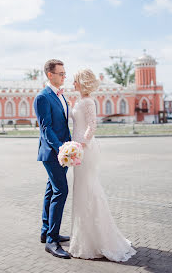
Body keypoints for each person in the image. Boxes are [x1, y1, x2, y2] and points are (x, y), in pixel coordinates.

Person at [68, 68, 137, 261]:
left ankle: (98, 240)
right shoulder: (80, 100)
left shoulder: (88, 101)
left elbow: (92, 125)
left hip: (84, 150)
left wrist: (81, 144)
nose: (73, 84)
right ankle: (84, 239)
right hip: (77, 149)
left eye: (75, 81)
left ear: (82, 83)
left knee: (88, 190)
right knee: (81, 191)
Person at [34, 59, 71, 259]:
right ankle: (52, 240)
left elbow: (63, 125)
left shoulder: (60, 95)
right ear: (50, 74)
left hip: (64, 153)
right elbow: (46, 128)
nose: (64, 76)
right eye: (61, 73)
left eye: (64, 73)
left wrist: (70, 147)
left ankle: (45, 231)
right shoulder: (43, 97)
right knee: (61, 191)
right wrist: (61, 149)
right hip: (53, 153)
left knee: (51, 189)